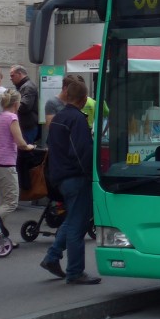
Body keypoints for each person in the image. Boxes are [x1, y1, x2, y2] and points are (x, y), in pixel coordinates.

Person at [41, 77, 100, 285]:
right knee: (78, 224)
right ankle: (75, 271)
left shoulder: (57, 118)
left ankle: (53, 255)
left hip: (60, 177)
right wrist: (91, 174)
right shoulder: (77, 120)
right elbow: (83, 151)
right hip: (76, 176)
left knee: (72, 218)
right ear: (84, 100)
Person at [0, 87, 35, 244]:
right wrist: (30, 146)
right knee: (11, 203)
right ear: (17, 103)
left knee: (1, 204)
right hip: (6, 165)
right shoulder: (12, 118)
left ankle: (0, 238)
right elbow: (20, 143)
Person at [9, 65, 41, 145]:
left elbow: (25, 106)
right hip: (25, 126)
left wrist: (11, 105)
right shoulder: (23, 86)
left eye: (12, 75)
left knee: (24, 153)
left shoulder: (28, 87)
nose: (10, 78)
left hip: (27, 127)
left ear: (20, 74)